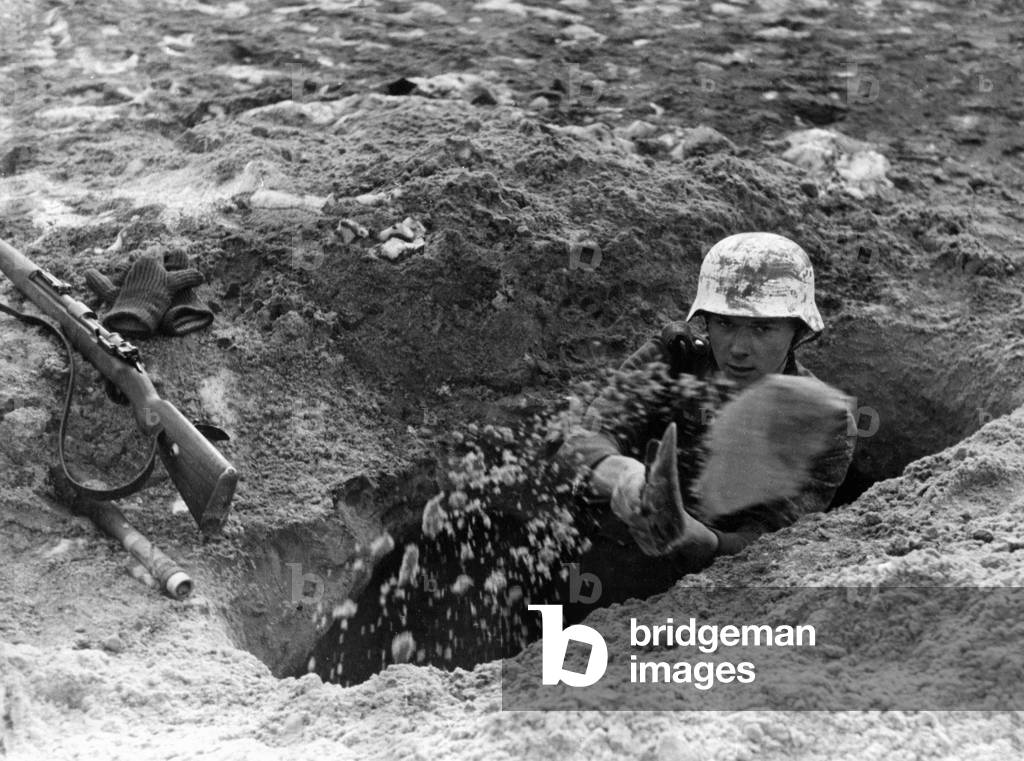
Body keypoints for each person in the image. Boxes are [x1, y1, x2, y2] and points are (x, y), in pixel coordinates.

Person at [559, 232, 856, 582]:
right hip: (605, 557)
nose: (738, 348)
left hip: (710, 591)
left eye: (762, 328)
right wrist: (626, 478)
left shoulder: (823, 421)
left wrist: (697, 538)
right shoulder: (675, 359)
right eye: (725, 323)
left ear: (798, 331)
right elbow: (581, 444)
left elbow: (775, 542)